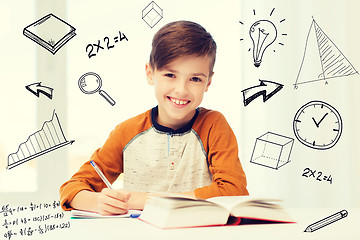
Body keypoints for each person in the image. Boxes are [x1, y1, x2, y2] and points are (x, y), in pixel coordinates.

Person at [59, 20, 248, 215]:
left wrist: (141, 200)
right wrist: (98, 202)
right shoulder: (127, 132)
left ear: (208, 82)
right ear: (150, 73)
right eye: (170, 75)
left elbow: (234, 191)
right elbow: (71, 188)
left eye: (195, 79)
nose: (181, 90)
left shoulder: (214, 125)